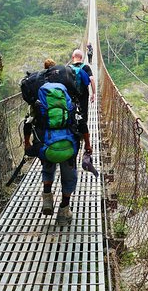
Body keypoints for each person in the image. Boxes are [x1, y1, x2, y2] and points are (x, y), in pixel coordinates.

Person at [23, 57, 90, 225]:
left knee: (48, 167)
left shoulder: (39, 99)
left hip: (45, 143)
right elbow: (82, 124)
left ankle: (47, 197)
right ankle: (63, 211)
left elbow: (27, 123)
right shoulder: (69, 99)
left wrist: (27, 144)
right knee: (69, 176)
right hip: (69, 145)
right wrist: (88, 145)